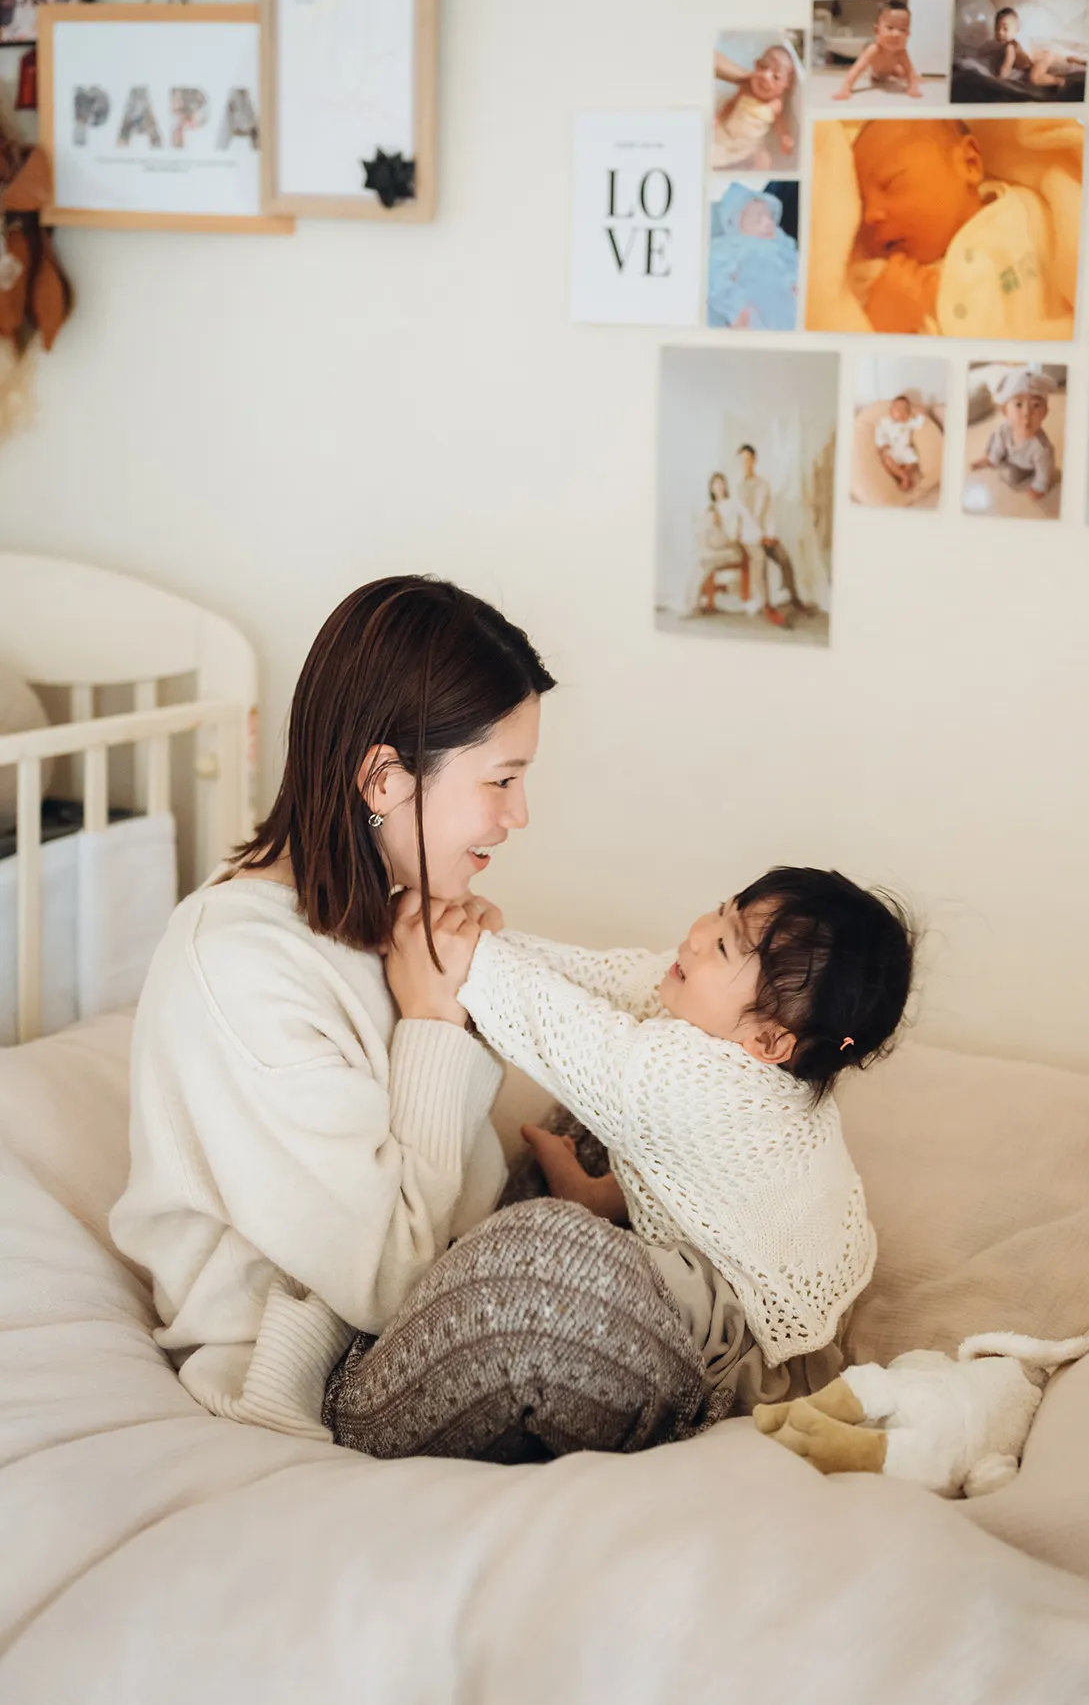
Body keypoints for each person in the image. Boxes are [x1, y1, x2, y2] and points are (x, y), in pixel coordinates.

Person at [111, 577, 728, 1464]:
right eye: (501, 780)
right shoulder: (240, 968)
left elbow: (456, 1184)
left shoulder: (387, 910)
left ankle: (725, 1322)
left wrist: (472, 998)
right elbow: (389, 1278)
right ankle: (731, 1398)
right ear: (383, 780)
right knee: (551, 1271)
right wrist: (437, 1023)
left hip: (448, 1262)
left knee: (649, 1089)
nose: (518, 815)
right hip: (332, 1358)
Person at [442, 867, 914, 1411]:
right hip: (731, 1227)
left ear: (768, 1041)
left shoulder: (691, 1082)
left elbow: (561, 1029)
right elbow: (602, 979)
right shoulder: (716, 1012)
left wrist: (461, 957)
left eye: (724, 945)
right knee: (621, 1129)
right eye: (722, 910)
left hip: (744, 1323)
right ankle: (594, 1195)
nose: (697, 932)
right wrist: (487, 941)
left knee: (588, 1260)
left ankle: (592, 1215)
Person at [852, 119, 1073, 340]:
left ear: (969, 163)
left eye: (891, 184)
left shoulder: (1031, 213)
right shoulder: (875, 280)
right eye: (860, 204)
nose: (870, 215)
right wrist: (879, 325)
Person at [706, 182, 798, 331]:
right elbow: (718, 285)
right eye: (757, 220)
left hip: (783, 306)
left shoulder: (782, 245)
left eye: (770, 217)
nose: (768, 223)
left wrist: (795, 283)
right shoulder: (728, 249)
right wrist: (736, 311)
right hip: (750, 309)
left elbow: (794, 265)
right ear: (738, 226)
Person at [736, 441, 809, 621]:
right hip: (748, 536)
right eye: (742, 461)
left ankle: (794, 598)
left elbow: (769, 513)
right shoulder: (738, 488)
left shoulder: (763, 484)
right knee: (759, 558)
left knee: (783, 557)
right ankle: (766, 605)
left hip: (764, 534)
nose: (745, 464)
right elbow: (742, 518)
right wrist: (755, 536)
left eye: (748, 460)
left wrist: (770, 535)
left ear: (754, 461)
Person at [971, 368, 1058, 500]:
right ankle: (989, 457)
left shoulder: (1042, 448)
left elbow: (1044, 471)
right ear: (1004, 410)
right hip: (1007, 452)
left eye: (1035, 405)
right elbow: (999, 446)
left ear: (1045, 412)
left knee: (1011, 477)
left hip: (1023, 466)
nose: (1026, 413)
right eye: (1018, 405)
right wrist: (993, 458)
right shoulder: (1004, 428)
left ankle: (1005, 465)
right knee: (994, 437)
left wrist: (1040, 486)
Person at [713, 42, 799, 171]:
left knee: (763, 158)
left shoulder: (775, 104)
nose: (765, 76)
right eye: (763, 66)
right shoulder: (746, 89)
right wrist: (718, 118)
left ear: (785, 87)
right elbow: (730, 105)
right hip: (728, 132)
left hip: (750, 145)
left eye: (776, 77)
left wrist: (784, 137)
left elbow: (779, 124)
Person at [833, 0, 923, 100]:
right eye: (890, 27)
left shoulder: (901, 52)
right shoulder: (874, 50)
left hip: (892, 71)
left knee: (905, 74)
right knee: (874, 73)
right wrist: (845, 89)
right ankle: (884, 75)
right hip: (875, 74)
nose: (896, 34)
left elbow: (910, 70)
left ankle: (902, 76)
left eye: (903, 30)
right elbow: (856, 70)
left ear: (907, 35)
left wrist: (913, 87)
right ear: (877, 30)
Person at [686, 472, 749, 614]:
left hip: (731, 549)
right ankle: (692, 604)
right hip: (714, 548)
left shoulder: (731, 505)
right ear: (711, 488)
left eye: (721, 483)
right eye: (715, 484)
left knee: (702, 557)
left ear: (725, 486)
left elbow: (734, 535)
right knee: (701, 562)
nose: (718, 486)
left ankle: (692, 604)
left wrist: (719, 523)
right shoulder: (711, 507)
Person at [988, 5, 1086, 90]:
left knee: (1034, 79)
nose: (1000, 33)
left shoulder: (1011, 47)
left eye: (1005, 29)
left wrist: (998, 81)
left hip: (1040, 60)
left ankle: (1058, 81)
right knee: (1062, 60)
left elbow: (1006, 67)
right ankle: (1076, 59)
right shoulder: (1019, 40)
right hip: (1045, 53)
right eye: (997, 29)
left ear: (1016, 30)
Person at [875, 393, 925, 493]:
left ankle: (905, 473)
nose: (899, 410)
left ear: (908, 412)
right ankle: (903, 476)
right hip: (891, 448)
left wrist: (918, 413)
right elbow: (880, 433)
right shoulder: (885, 422)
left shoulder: (909, 422)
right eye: (896, 407)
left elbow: (919, 423)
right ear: (890, 410)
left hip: (904, 448)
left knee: (913, 461)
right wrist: (883, 444)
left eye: (903, 408)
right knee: (887, 460)